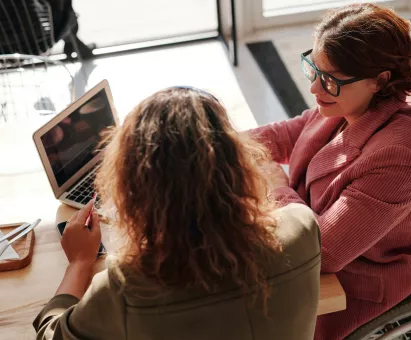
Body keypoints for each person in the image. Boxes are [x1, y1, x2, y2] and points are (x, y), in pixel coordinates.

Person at [33, 87, 322, 340]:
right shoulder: (303, 227)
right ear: (239, 163)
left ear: (133, 187)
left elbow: (52, 335)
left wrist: (80, 263)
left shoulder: (127, 288)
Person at [249, 4, 411, 339]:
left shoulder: (400, 157)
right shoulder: (347, 99)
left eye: (328, 79)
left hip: (364, 277)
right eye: (312, 69)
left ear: (380, 80)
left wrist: (276, 185)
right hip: (329, 233)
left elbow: (322, 253)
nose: (314, 88)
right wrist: (217, 143)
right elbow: (291, 133)